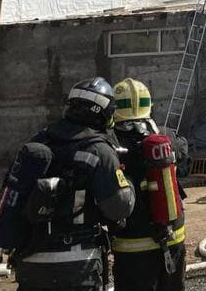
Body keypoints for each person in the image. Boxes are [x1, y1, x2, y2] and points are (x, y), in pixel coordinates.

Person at [11, 78, 135, 291]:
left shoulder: (39, 142)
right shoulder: (99, 151)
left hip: (30, 261)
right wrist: (129, 184)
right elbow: (118, 208)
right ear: (103, 113)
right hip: (77, 264)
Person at [109, 78, 189, 291]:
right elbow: (183, 153)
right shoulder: (166, 136)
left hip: (132, 244)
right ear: (149, 105)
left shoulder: (109, 144)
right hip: (172, 236)